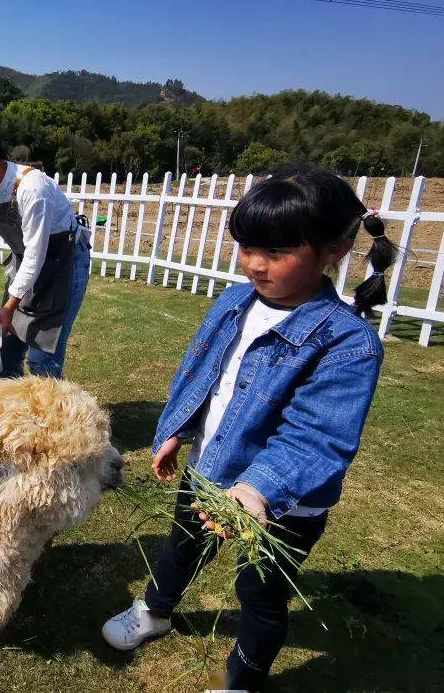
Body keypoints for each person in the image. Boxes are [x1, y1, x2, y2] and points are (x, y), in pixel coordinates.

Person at [101, 164, 396, 692]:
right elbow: (202, 372)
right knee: (181, 546)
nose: (255, 265)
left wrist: (258, 489)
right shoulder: (235, 301)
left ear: (332, 250)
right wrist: (178, 428)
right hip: (209, 469)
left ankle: (243, 678)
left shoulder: (348, 343)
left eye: (277, 252)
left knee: (260, 590)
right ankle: (156, 610)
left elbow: (317, 435)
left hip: (281, 504)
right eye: (247, 247)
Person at [0, 120, 90, 379]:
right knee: (6, 347)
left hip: (62, 265)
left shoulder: (33, 189)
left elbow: (36, 253)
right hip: (27, 264)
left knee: (43, 357)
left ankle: (50, 414)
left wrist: (10, 305)